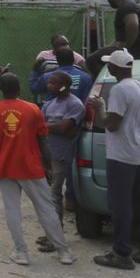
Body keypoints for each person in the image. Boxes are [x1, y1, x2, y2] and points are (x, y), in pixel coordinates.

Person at [0, 73, 74, 266]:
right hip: (31, 167)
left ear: (0, 89)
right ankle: (63, 252)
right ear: (19, 88)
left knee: (12, 209)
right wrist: (48, 166)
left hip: (6, 168)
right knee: (46, 208)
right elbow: (43, 141)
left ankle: (21, 252)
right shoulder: (33, 109)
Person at [92, 49, 140, 270]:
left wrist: (100, 108)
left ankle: (122, 253)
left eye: (110, 65)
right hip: (138, 150)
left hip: (121, 153)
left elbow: (112, 124)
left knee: (120, 204)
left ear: (115, 68)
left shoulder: (120, 90)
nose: (108, 67)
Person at [42, 68, 87, 226]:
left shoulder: (75, 104)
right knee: (46, 195)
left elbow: (65, 128)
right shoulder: (50, 104)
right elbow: (48, 127)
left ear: (64, 86)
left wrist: (50, 127)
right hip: (47, 154)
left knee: (54, 194)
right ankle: (51, 231)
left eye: (53, 83)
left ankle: (55, 234)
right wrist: (57, 127)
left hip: (61, 155)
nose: (48, 85)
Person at [28, 34, 79, 101]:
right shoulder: (85, 78)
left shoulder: (47, 76)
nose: (67, 47)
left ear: (57, 60)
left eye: (67, 44)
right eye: (64, 44)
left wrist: (34, 71)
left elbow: (34, 89)